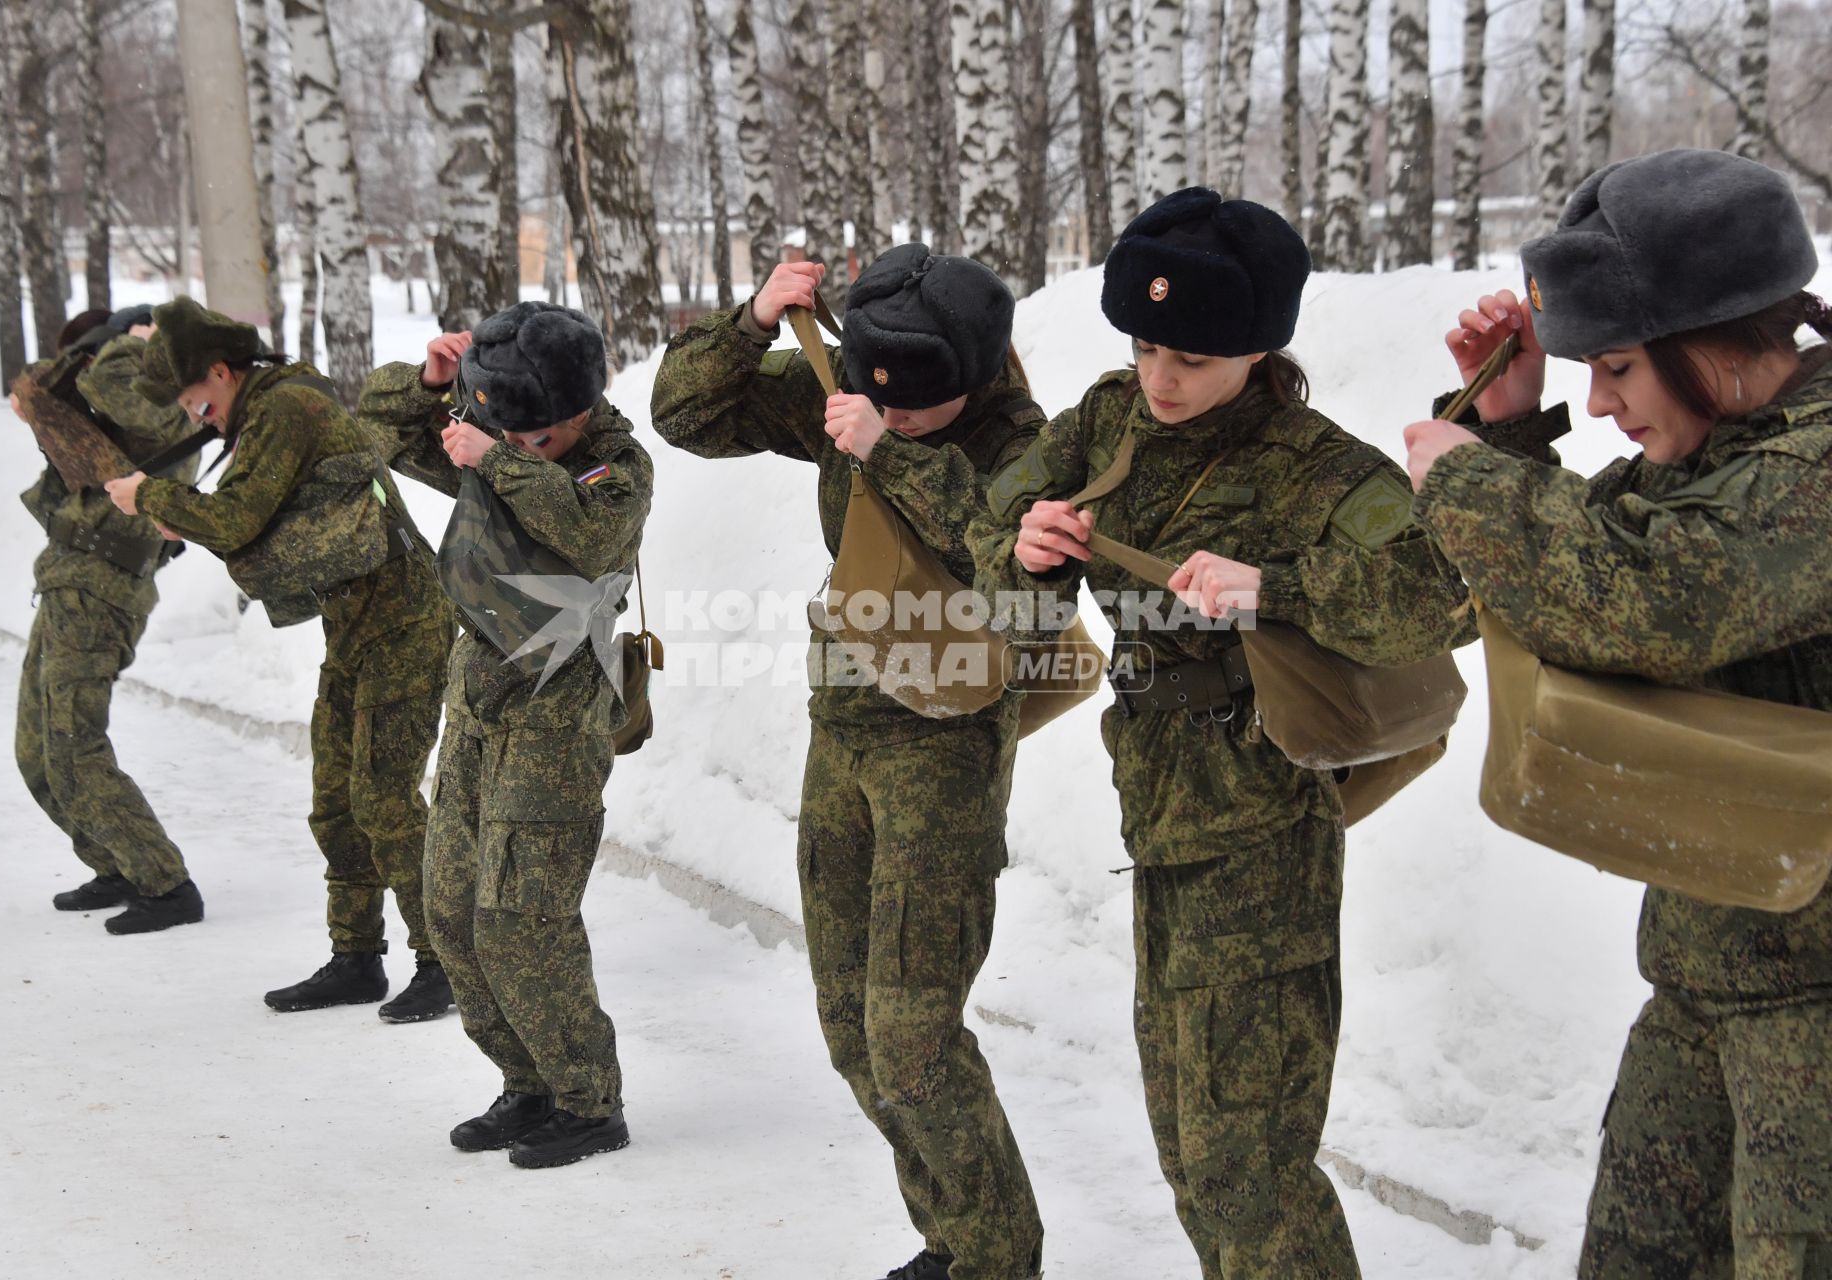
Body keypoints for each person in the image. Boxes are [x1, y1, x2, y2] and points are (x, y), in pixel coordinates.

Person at [968, 188, 1473, 1278]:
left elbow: (1451, 592)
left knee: (1250, 1163)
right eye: (1147, 344)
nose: (1161, 378)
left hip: (1264, 833)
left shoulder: (1315, 467)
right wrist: (1026, 541)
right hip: (1161, 816)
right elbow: (987, 522)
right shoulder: (1109, 421)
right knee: (1192, 1153)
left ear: (1255, 347)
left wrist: (1276, 588)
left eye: (1191, 356)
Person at [1402, 148, 1832, 1279]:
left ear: (1720, 339)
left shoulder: (1814, 473)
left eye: (1622, 367)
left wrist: (1469, 481)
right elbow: (1491, 599)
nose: (1599, 403)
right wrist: (1506, 431)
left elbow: (1646, 598)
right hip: (1706, 969)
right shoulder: (1714, 458)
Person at [650, 244, 1047, 1280]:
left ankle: (1000, 1258)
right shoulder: (857, 383)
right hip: (848, 723)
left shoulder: (1021, 437)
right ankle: (952, 1235)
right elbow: (685, 416)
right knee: (851, 1026)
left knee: (913, 1035)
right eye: (884, 395)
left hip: (946, 742)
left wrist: (890, 452)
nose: (900, 410)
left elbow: (1007, 551)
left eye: (925, 403)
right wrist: (751, 320)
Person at [356, 302, 652, 1169]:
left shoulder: (614, 464)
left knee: (523, 917)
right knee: (451, 910)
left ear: (579, 412)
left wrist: (497, 458)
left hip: (557, 707)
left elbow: (589, 527)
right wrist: (431, 386)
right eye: (509, 433)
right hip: (478, 685)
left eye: (541, 437)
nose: (524, 447)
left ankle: (588, 1102)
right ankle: (527, 1082)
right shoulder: (497, 431)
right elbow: (375, 433)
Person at [105, 296, 456, 1023]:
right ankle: (356, 957)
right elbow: (240, 513)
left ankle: (445, 962)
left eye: (200, 406)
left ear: (225, 373)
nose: (202, 421)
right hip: (355, 625)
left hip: (406, 620)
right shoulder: (268, 409)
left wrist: (147, 495)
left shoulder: (285, 407)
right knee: (335, 801)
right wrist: (175, 506)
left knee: (386, 799)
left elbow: (233, 519)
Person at [14, 307, 205, 934]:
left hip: (101, 591)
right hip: (66, 578)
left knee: (74, 745)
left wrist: (130, 346)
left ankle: (165, 884)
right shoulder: (116, 402)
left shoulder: (166, 401)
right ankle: (116, 862)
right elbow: (61, 399)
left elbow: (119, 392)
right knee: (38, 750)